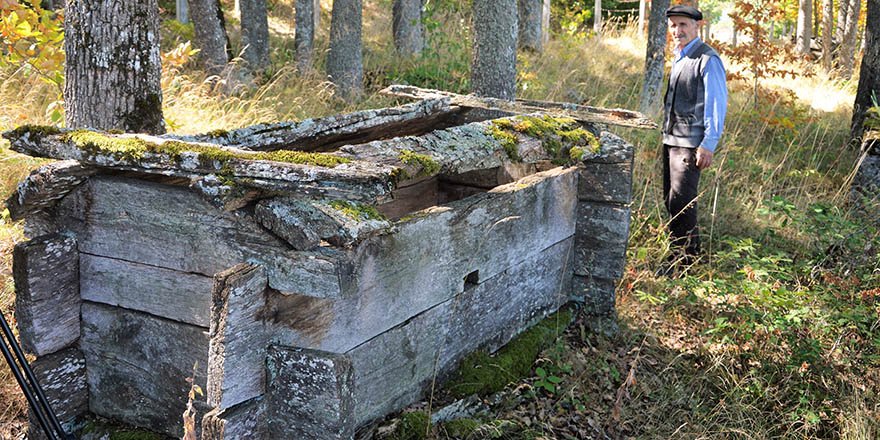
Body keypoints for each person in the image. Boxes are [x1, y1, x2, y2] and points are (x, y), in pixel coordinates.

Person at [660, 5, 727, 271]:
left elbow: (715, 104)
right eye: (673, 25)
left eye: (683, 25)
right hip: (671, 140)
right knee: (671, 200)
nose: (677, 30)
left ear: (697, 26)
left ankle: (683, 264)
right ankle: (685, 257)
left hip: (690, 144)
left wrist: (708, 144)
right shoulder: (679, 57)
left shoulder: (707, 59)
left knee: (682, 203)